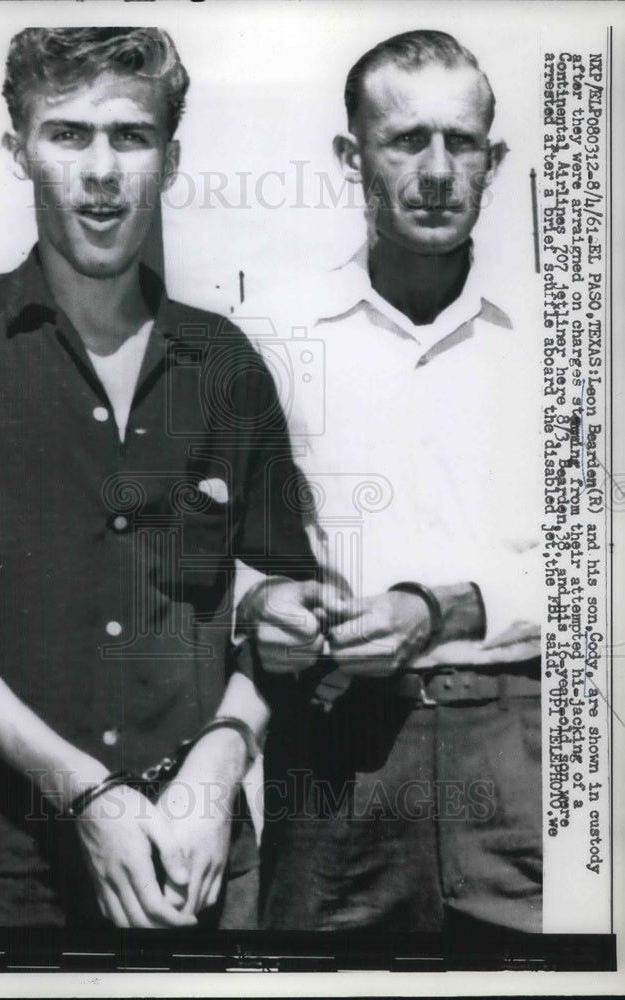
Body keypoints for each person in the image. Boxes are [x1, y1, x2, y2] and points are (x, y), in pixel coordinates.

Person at [0, 26, 317, 929]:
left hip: (199, 858)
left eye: (130, 136)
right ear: (19, 149)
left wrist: (217, 772)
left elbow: (289, 591)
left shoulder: (225, 362)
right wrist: (87, 795)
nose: (102, 169)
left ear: (169, 159)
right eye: (68, 133)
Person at [236, 29, 543, 934]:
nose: (440, 169)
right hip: (337, 765)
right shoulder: (272, 335)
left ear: (496, 159)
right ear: (351, 157)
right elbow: (211, 552)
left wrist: (442, 609)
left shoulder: (565, 334)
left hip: (525, 753)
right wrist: (263, 608)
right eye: (407, 140)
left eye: (464, 142)